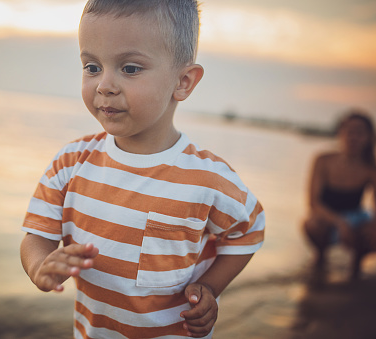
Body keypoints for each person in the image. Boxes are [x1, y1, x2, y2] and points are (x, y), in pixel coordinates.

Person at [20, 0, 265, 338]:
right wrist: (40, 266)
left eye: (130, 68)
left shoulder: (207, 178)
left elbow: (249, 230)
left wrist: (210, 286)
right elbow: (37, 236)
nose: (105, 84)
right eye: (92, 66)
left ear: (183, 82)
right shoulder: (70, 163)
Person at [303, 109, 376, 281]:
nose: (354, 137)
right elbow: (314, 203)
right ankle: (321, 256)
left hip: (356, 216)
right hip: (326, 216)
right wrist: (340, 223)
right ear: (341, 132)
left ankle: (357, 265)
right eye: (349, 131)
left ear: (369, 138)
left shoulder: (372, 170)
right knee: (311, 224)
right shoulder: (323, 160)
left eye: (360, 133)